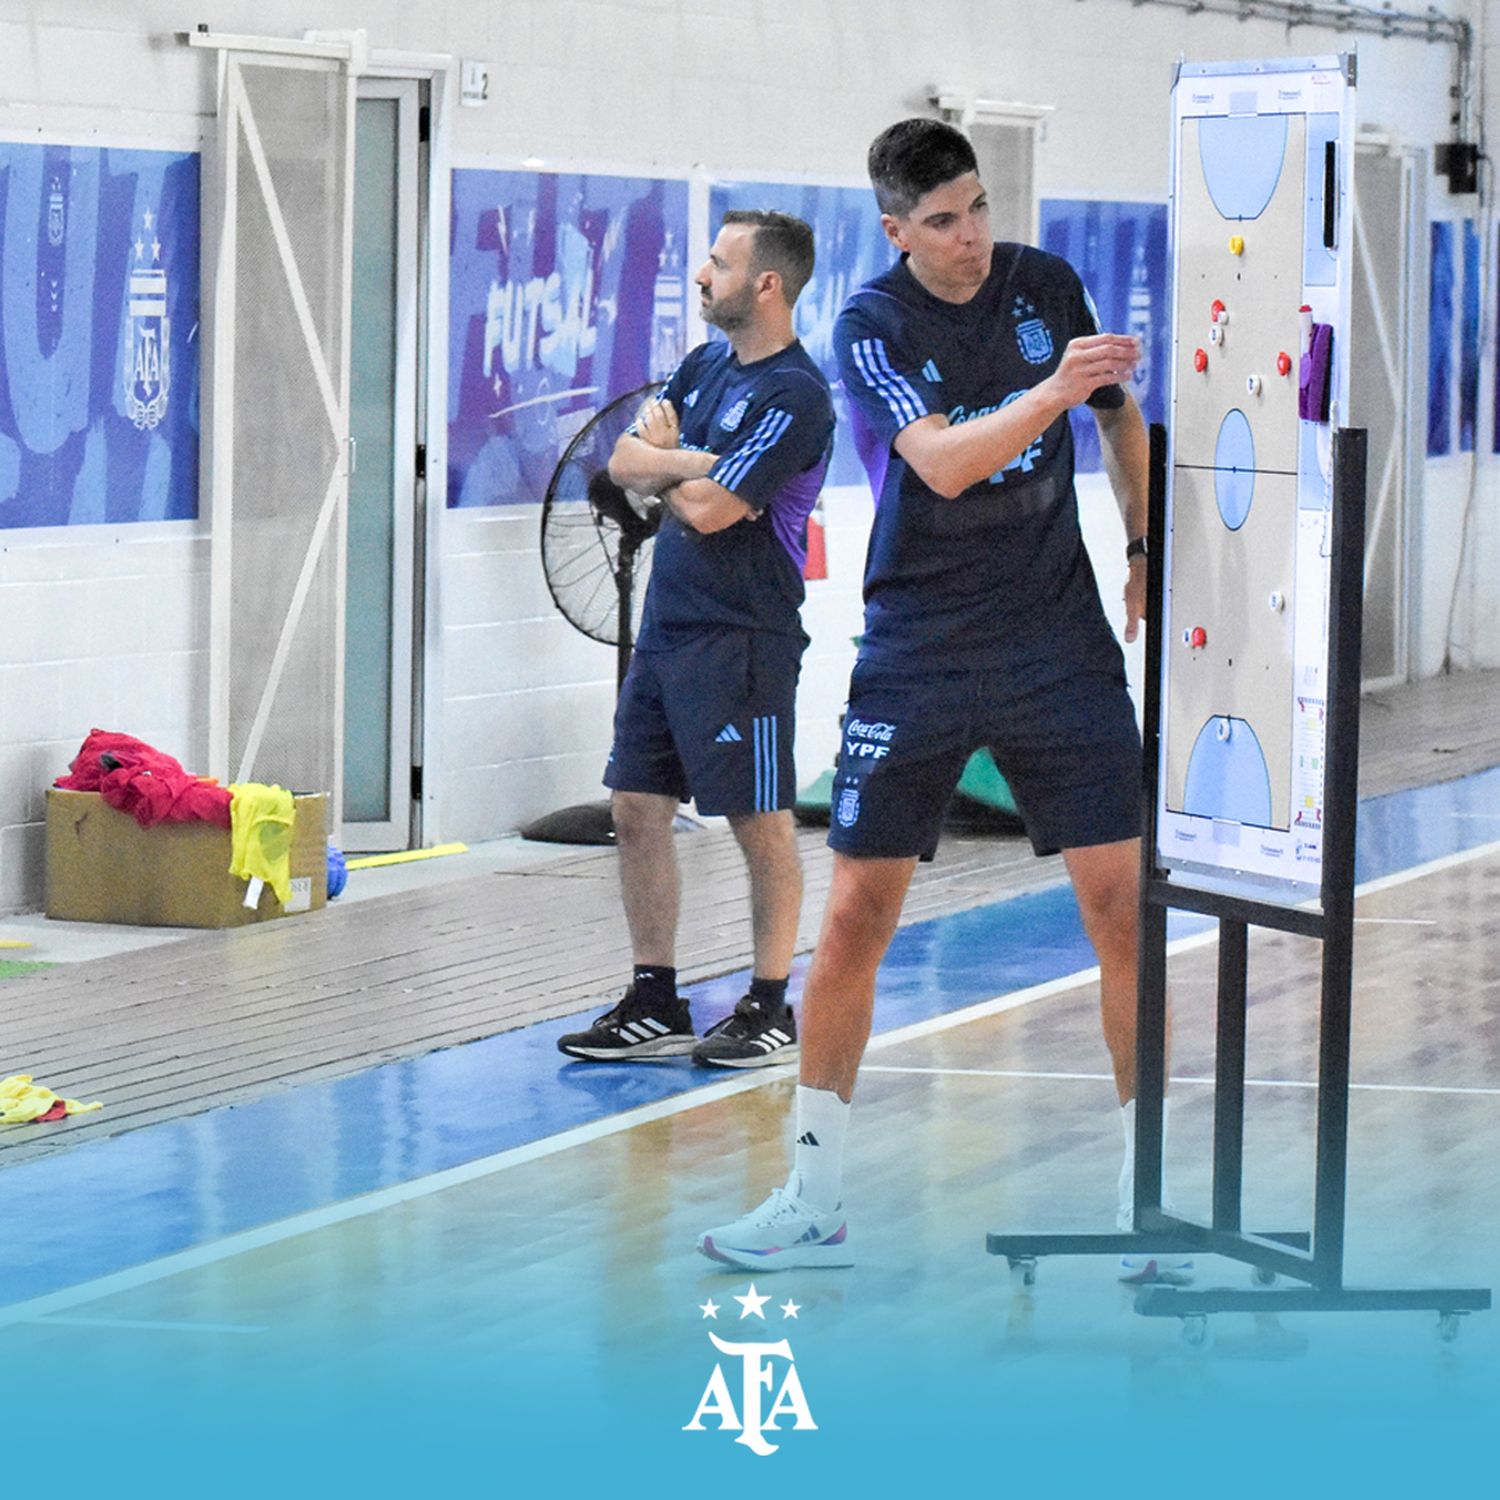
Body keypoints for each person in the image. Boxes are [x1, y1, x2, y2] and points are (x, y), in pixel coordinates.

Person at [698, 120, 1188, 1282]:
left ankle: (1147, 1197)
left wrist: (1142, 540)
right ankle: (812, 1199)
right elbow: (942, 462)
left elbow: (1118, 421)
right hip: (918, 647)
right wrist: (1049, 391)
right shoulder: (868, 324)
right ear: (896, 231)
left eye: (977, 209)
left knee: (1123, 909)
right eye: (943, 222)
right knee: (858, 918)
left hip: (1057, 644)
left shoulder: (1044, 283)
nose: (971, 239)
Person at [557, 211, 835, 1070]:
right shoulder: (703, 363)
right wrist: (701, 462)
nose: (703, 275)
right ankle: (654, 998)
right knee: (637, 808)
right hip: (668, 629)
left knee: (760, 823)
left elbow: (714, 514)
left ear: (766, 285)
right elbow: (625, 462)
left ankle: (768, 1003)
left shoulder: (796, 396)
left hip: (742, 637)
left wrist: (681, 466)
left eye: (719, 264)